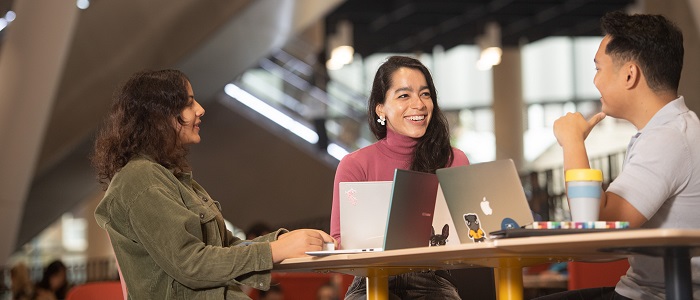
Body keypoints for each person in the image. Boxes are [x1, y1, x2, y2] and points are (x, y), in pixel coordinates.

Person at [91, 69, 336, 299]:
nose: (200, 109)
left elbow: (225, 247)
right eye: (188, 103)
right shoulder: (140, 181)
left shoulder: (168, 176)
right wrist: (276, 251)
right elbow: (191, 264)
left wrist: (284, 241)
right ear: (159, 116)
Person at [540, 11, 700, 299]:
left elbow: (596, 224)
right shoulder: (670, 131)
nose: (595, 82)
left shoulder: (668, 138)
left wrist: (573, 142)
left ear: (629, 74)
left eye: (598, 69)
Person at [330, 55, 480, 299]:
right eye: (404, 95)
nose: (419, 104)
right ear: (381, 108)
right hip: (370, 281)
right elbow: (339, 240)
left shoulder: (454, 160)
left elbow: (469, 234)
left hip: (432, 281)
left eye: (425, 94)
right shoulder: (355, 164)